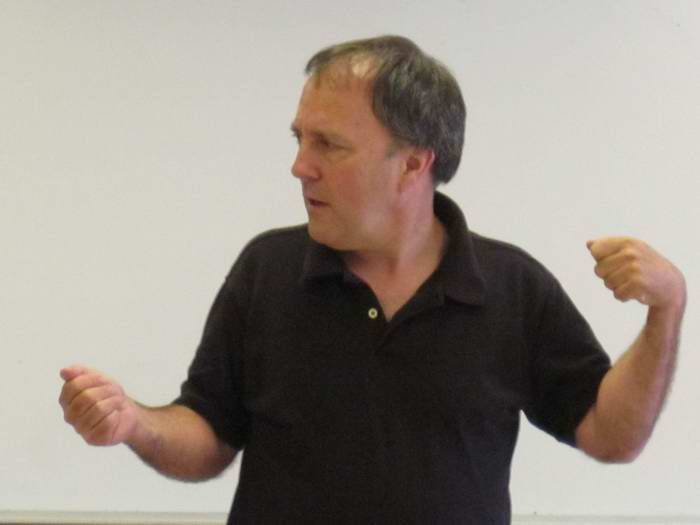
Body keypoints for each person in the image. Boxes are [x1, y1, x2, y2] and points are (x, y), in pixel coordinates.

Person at [59, 35, 686, 524]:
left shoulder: (512, 288)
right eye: (299, 139)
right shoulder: (268, 270)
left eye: (328, 145)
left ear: (412, 163)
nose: (300, 166)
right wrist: (134, 423)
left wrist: (667, 308)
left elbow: (610, 434)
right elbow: (209, 435)